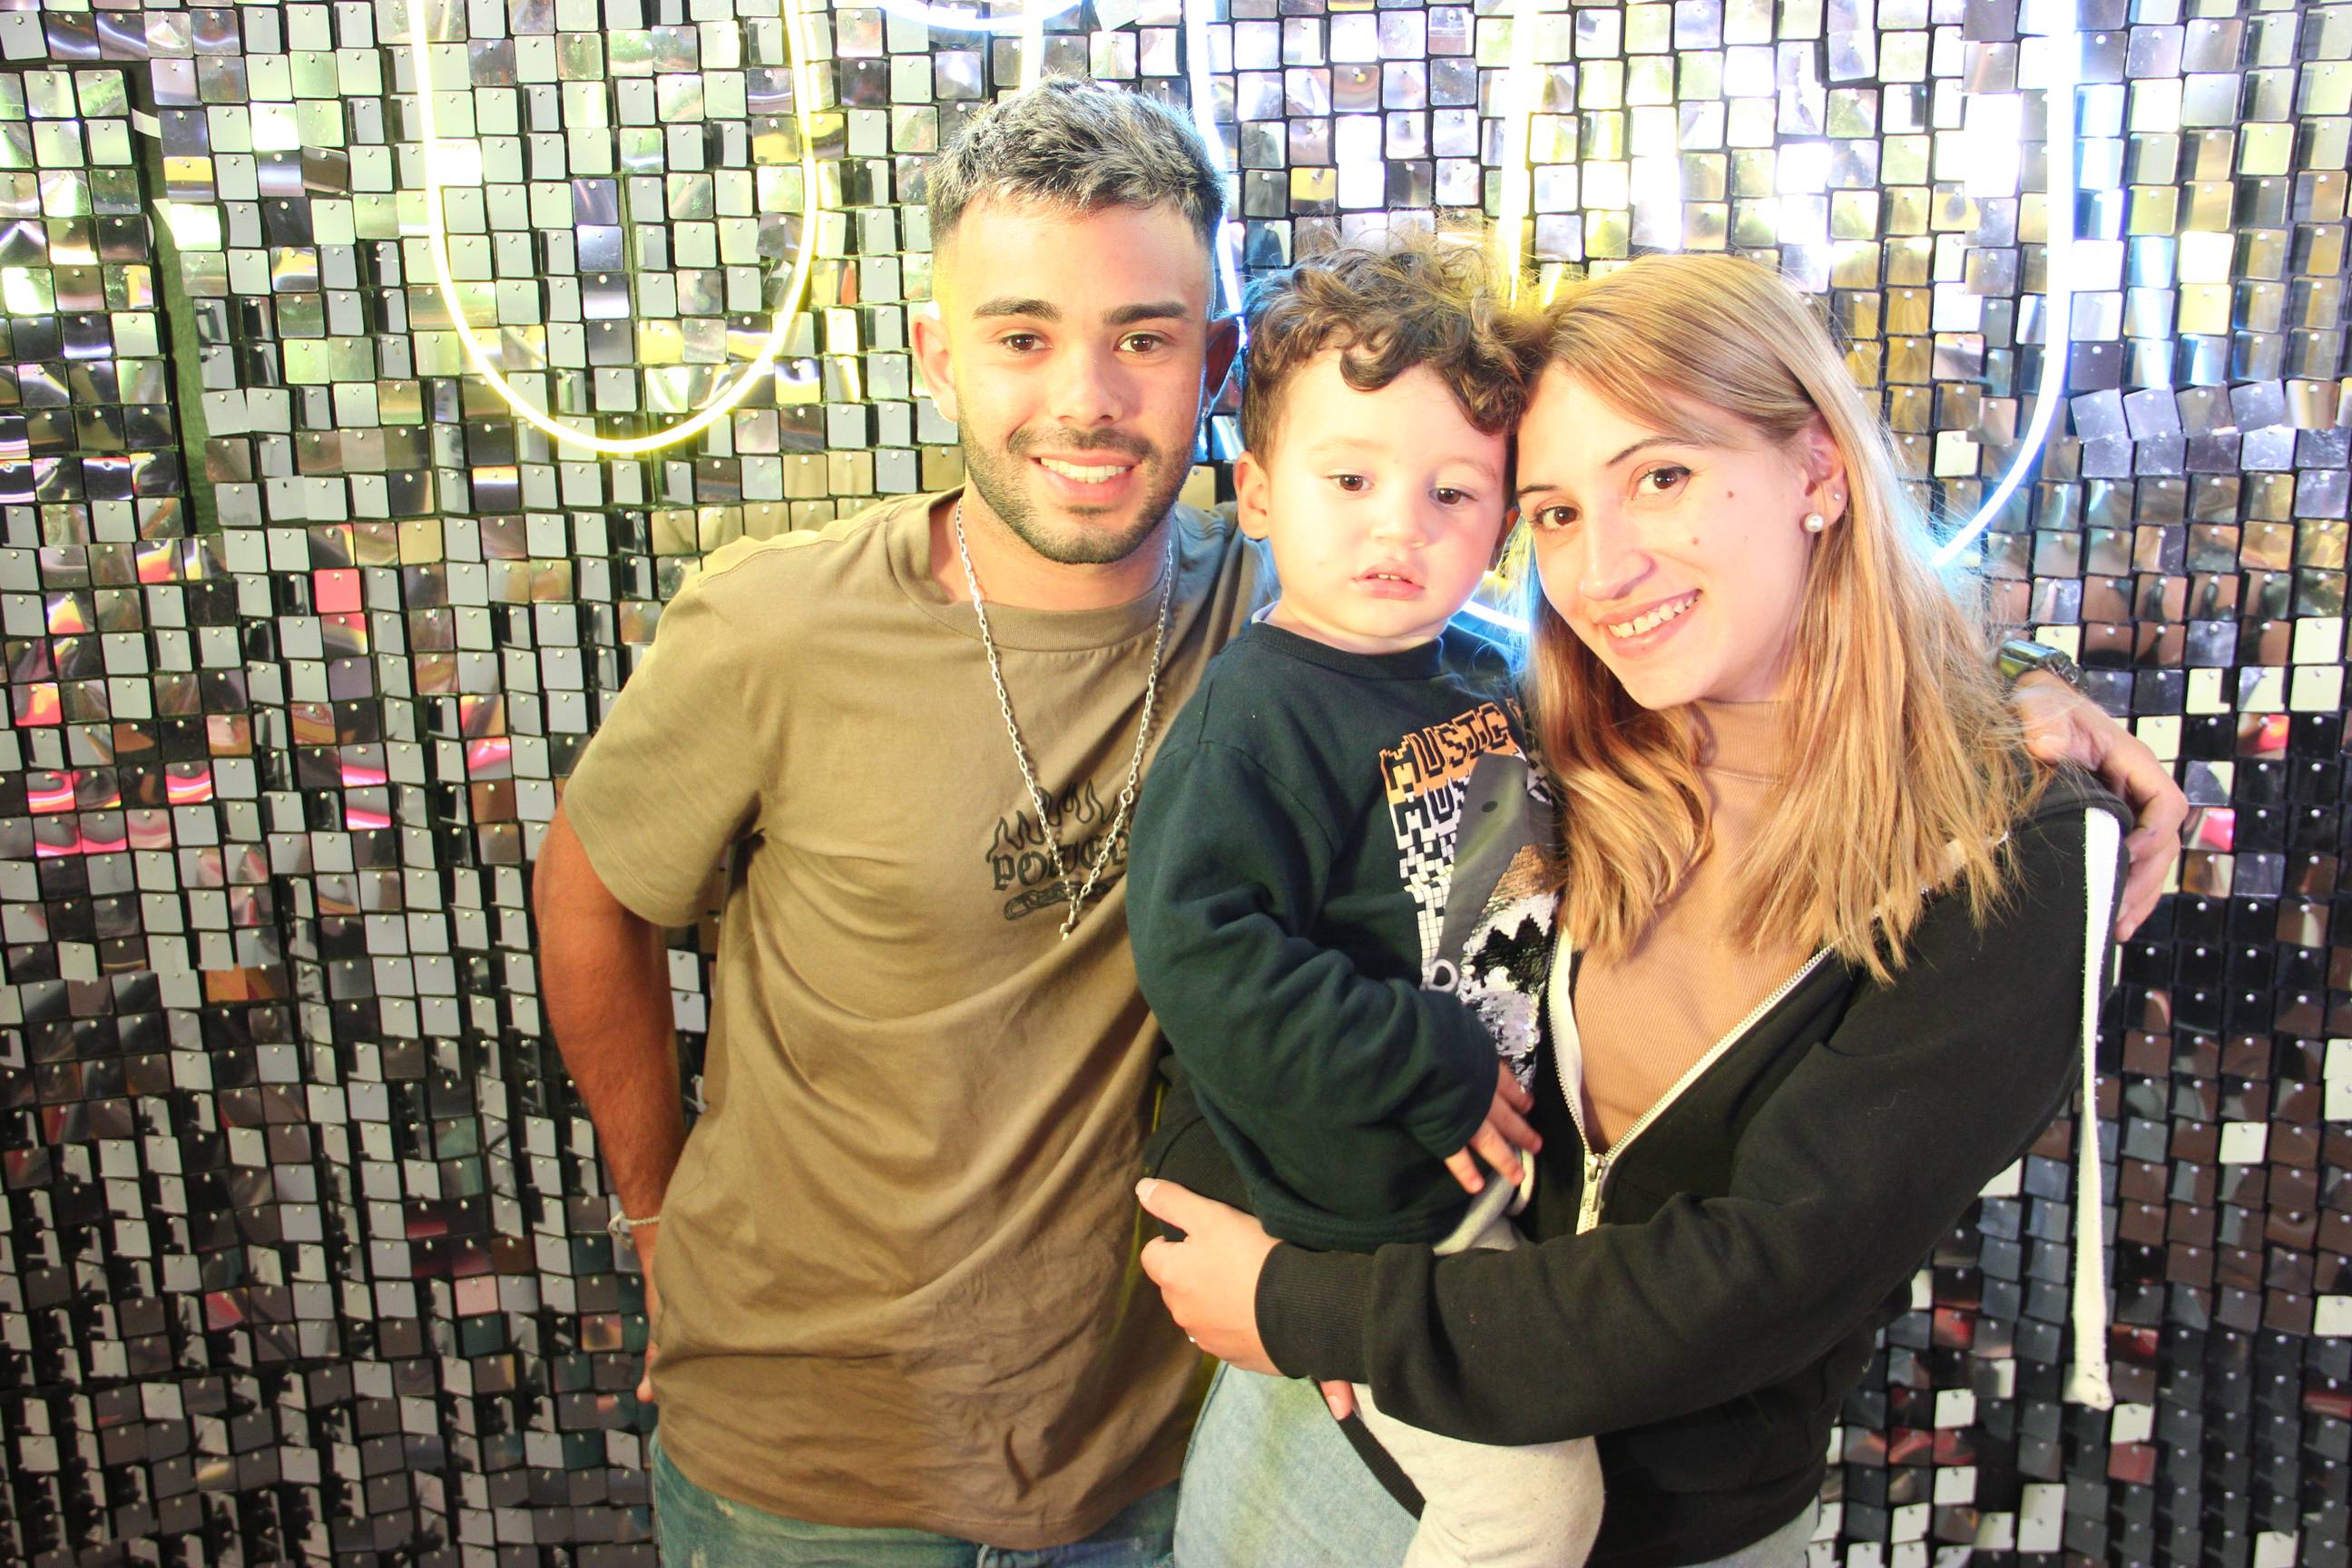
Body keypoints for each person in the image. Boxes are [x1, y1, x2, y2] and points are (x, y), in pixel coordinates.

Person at [528, 75, 2177, 1567]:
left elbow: (1756, 638)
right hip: (835, 1459)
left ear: (1213, 375)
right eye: (1022, 335)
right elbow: (593, 889)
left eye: (1144, 337)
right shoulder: (779, 625)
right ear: (938, 349)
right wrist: (654, 1214)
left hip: (1159, 1415)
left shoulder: (1349, 616)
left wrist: (2019, 696)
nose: (1086, 399)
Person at [1135, 251, 2143, 1568]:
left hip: (1650, 1522)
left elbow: (1760, 1279)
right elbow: (1257, 985)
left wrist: (1312, 1303)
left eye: (1660, 476)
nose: (1601, 568)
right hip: (1316, 1440)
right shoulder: (1560, 738)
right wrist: (1252, 1230)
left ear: (1819, 470)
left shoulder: (2017, 855)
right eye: (1554, 511)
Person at [1125, 241, 1602, 1568]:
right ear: (1258, 493)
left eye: (1453, 492)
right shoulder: (1257, 717)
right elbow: (1203, 955)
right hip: (1365, 1215)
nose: (1402, 527)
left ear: (1504, 522)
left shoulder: (1490, 676)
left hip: (1473, 1190)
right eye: (1351, 480)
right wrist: (1427, 1062)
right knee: (1535, 1505)